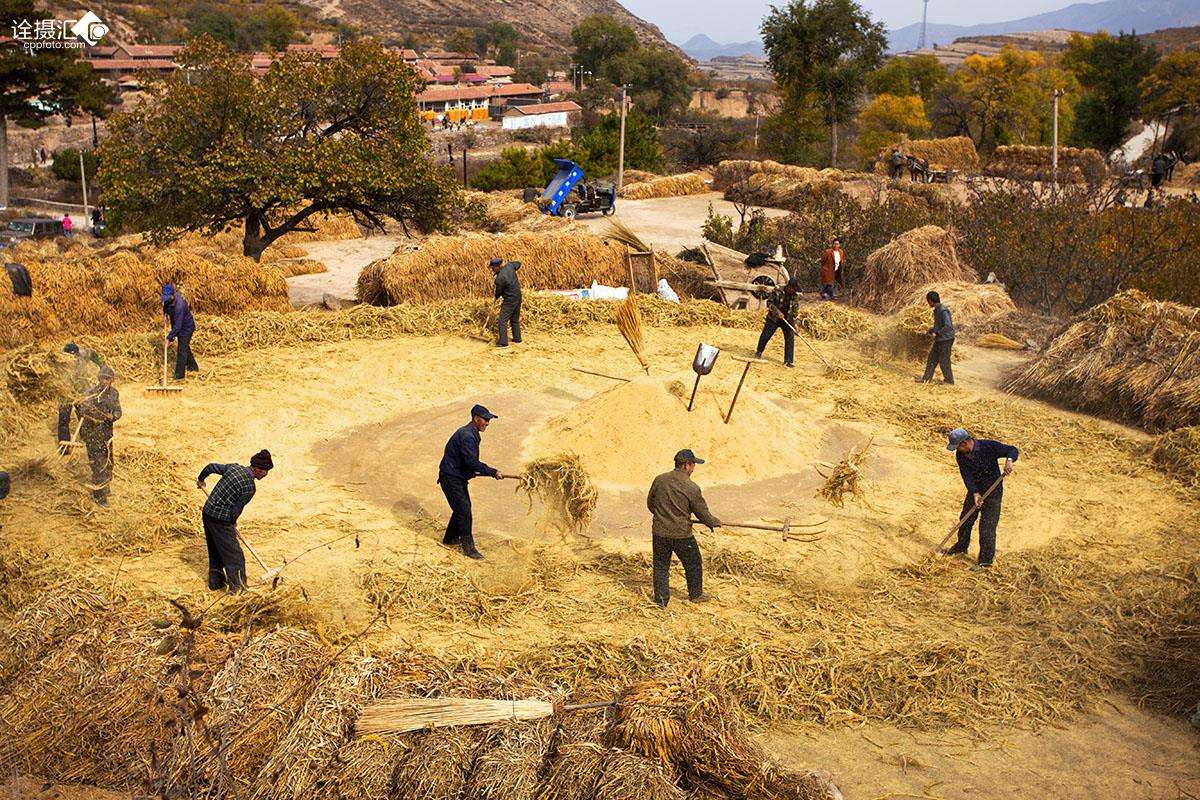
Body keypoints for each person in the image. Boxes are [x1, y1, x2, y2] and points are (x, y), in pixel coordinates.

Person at [646, 449, 721, 607]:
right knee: (693, 562)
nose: (693, 469)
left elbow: (650, 504)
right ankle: (696, 595)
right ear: (687, 465)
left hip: (659, 532)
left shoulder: (659, 480)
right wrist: (714, 522)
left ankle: (661, 600)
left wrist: (663, 516)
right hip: (681, 535)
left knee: (661, 566)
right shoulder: (691, 487)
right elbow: (702, 513)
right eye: (693, 465)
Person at [197, 450, 274, 592]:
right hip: (221, 520)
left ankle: (216, 584)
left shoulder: (233, 467)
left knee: (215, 550)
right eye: (265, 471)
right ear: (257, 469)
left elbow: (211, 467)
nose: (266, 474)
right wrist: (232, 522)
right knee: (235, 557)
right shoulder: (249, 487)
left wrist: (201, 479)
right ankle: (238, 590)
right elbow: (235, 511)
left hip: (207, 512)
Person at [942, 429, 1018, 568]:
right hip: (976, 490)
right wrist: (975, 493)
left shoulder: (988, 446)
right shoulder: (961, 455)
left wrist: (1009, 461)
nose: (957, 450)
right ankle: (961, 547)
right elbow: (967, 476)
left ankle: (985, 562)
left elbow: (1012, 450)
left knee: (987, 527)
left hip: (993, 491)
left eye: (958, 446)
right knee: (965, 519)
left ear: (965, 443)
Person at [438, 404, 505, 559]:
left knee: (462, 507)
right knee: (464, 510)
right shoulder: (467, 435)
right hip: (451, 477)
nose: (487, 423)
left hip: (455, 475)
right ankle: (469, 549)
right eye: (485, 419)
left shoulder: (471, 432)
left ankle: (450, 539)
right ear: (476, 418)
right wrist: (492, 472)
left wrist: (472, 471)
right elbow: (471, 462)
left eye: (489, 420)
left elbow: (467, 463)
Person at [75, 365, 121, 506]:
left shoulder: (114, 394)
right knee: (97, 465)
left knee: (108, 463)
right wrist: (81, 409)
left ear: (112, 380)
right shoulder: (90, 393)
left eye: (107, 379)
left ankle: (105, 486)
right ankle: (99, 496)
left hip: (106, 434)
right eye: (102, 378)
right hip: (92, 434)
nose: (104, 381)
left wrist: (112, 416)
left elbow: (118, 411)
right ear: (98, 378)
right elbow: (79, 407)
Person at [57, 342, 104, 448]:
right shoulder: (61, 360)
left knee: (84, 413)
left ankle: (87, 438)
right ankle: (64, 444)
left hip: (81, 388)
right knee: (64, 417)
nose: (74, 358)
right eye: (71, 356)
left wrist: (102, 366)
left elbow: (94, 354)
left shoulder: (83, 353)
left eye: (75, 355)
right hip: (66, 392)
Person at [755, 277, 800, 368]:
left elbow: (795, 311)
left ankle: (788, 361)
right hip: (774, 318)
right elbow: (769, 303)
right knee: (766, 335)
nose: (794, 291)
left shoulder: (795, 296)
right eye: (793, 289)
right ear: (789, 287)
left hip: (787, 319)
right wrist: (777, 311)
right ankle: (759, 352)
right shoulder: (778, 290)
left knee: (790, 338)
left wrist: (795, 324)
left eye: (795, 289)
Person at [917, 290, 955, 384]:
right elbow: (939, 325)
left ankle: (949, 381)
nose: (928, 303)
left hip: (946, 339)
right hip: (940, 339)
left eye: (928, 301)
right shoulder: (937, 310)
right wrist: (931, 330)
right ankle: (926, 379)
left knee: (944, 361)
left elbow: (948, 326)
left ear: (930, 301)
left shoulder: (943, 310)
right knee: (932, 359)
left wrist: (937, 333)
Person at [162, 284, 198, 381]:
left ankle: (179, 376)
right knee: (185, 347)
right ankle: (193, 367)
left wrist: (169, 338)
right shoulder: (168, 300)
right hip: (178, 326)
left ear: (173, 295)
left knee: (181, 351)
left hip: (186, 328)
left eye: (168, 297)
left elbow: (178, 326)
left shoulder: (180, 306)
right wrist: (165, 313)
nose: (166, 299)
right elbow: (165, 306)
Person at [490, 257, 522, 347]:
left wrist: (496, 297)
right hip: (518, 296)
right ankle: (517, 338)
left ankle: (503, 342)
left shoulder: (500, 278)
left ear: (498, 266)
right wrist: (507, 265)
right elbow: (518, 263)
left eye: (493, 267)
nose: (492, 269)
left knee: (502, 320)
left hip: (510, 300)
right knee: (515, 319)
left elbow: (499, 292)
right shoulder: (510, 266)